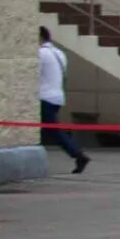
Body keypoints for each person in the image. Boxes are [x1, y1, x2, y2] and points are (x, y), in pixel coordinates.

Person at [35, 27, 88, 173]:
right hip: (57, 96)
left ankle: (78, 154)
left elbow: (34, 74)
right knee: (49, 130)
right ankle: (76, 154)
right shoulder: (59, 53)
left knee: (54, 131)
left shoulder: (41, 53)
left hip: (44, 97)